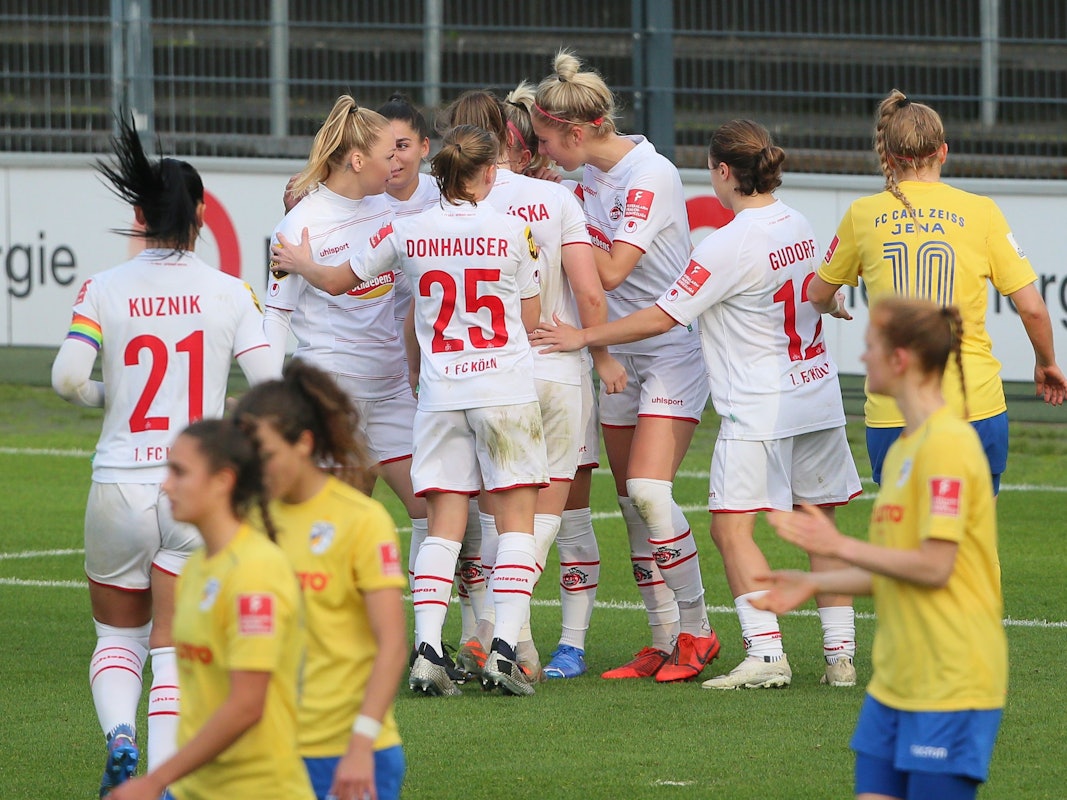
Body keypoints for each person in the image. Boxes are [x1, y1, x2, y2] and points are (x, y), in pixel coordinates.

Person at [531, 119, 863, 689]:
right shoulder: (799, 223)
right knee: (820, 526)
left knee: (731, 531)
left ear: (723, 171)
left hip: (760, 406)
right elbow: (815, 292)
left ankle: (763, 653)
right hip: (818, 395)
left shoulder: (726, 244)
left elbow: (664, 315)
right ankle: (839, 658)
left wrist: (586, 339)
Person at [271, 124, 549, 697]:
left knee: (441, 522)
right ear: (490, 174)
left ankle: (427, 651)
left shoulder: (407, 230)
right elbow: (530, 315)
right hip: (502, 388)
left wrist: (300, 263)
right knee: (515, 520)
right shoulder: (514, 231)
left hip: (439, 394)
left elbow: (339, 280)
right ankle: (503, 648)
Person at [50, 114, 275, 796]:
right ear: (202, 214)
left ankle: (120, 736)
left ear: (139, 215)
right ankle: (167, 779)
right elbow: (271, 384)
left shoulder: (103, 287)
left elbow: (65, 377)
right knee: (174, 648)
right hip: (195, 489)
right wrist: (227, 414)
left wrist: (105, 396)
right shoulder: (230, 292)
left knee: (117, 640)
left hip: (118, 482)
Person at [755, 296, 1005, 800]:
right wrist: (815, 581)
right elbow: (898, 568)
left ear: (901, 359)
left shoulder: (948, 446)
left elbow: (935, 567)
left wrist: (839, 546)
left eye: (871, 347)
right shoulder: (907, 449)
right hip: (895, 681)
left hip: (951, 680)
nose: (862, 358)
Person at [531, 49, 717, 683]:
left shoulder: (650, 174)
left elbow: (608, 272)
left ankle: (698, 631)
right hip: (614, 354)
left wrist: (562, 215)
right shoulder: (588, 175)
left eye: (550, 141)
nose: (545, 153)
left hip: (665, 350)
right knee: (633, 506)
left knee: (649, 492)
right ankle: (662, 639)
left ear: (579, 132)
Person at [435, 88, 625, 682]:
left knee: (496, 516)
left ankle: (493, 634)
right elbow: (591, 291)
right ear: (511, 139)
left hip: (490, 377)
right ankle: (518, 643)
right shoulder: (554, 197)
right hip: (559, 372)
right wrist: (605, 354)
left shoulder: (437, 208)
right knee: (551, 516)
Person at [809, 88, 1066, 490]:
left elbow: (817, 293)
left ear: (890, 157)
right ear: (943, 151)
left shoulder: (862, 214)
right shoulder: (982, 212)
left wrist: (834, 305)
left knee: (906, 542)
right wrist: (1046, 363)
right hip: (972, 403)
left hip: (897, 411)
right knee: (974, 547)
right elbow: (1032, 308)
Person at [263, 95, 431, 578]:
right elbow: (275, 318)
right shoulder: (300, 226)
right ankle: (315, 634)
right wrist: (270, 398)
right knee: (330, 530)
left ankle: (429, 642)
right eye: (386, 155)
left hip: (393, 386)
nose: (396, 162)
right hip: (336, 392)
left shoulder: (388, 207)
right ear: (358, 160)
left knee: (434, 509)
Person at [109, 418, 312, 800]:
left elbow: (247, 704)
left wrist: (155, 780)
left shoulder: (256, 571)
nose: (165, 484)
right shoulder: (198, 568)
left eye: (179, 472)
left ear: (222, 481)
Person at [234, 361, 408, 800]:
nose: (257, 469)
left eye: (267, 456)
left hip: (350, 752)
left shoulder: (361, 520)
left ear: (304, 443)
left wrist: (362, 743)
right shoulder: (248, 521)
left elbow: (391, 645)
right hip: (267, 751)